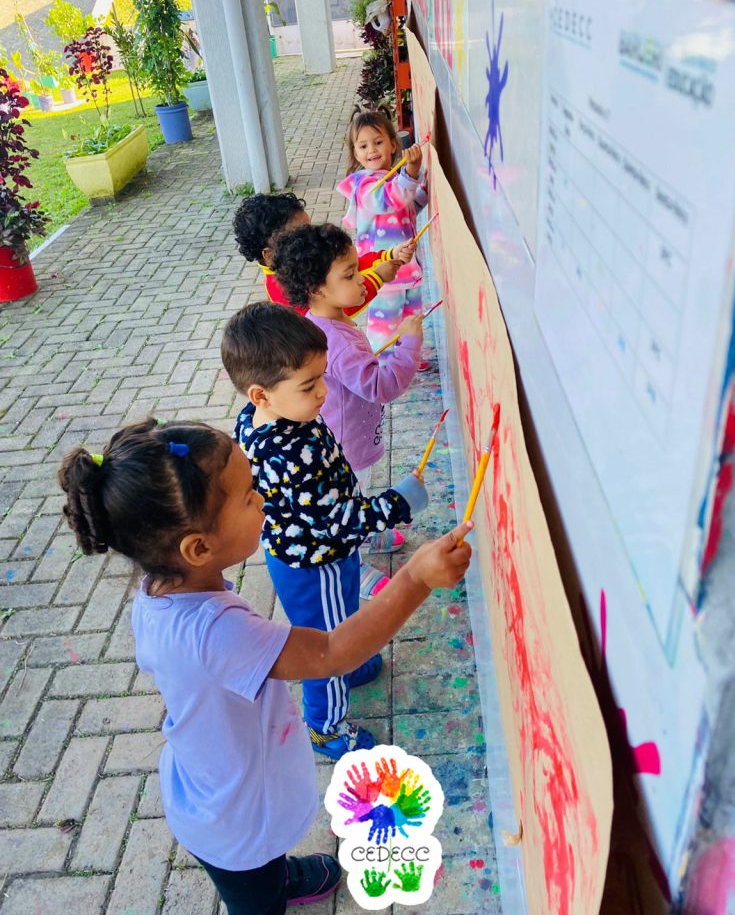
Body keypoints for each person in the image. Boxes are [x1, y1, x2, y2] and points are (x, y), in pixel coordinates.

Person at [58, 417, 472, 915]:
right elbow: (332, 652)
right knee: (255, 899)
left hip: (208, 784)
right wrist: (417, 578)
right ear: (198, 547)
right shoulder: (218, 632)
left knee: (260, 870)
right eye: (250, 496)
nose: (265, 500)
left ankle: (277, 876)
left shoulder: (158, 593)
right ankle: (268, 893)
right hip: (233, 819)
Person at [221, 302, 429, 757]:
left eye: (321, 378)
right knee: (326, 646)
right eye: (309, 385)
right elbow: (338, 523)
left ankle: (348, 662)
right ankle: (326, 726)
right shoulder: (291, 453)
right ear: (261, 394)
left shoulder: (261, 419)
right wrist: (396, 504)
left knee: (338, 620)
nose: (322, 393)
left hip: (302, 553)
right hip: (319, 562)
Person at [272, 222, 423, 590]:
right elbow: (380, 386)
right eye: (350, 274)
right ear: (316, 289)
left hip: (346, 438)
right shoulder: (335, 341)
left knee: (356, 497)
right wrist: (408, 345)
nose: (361, 280)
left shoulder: (329, 319)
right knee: (346, 506)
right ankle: (353, 564)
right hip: (346, 447)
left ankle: (366, 533)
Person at [337, 106, 429, 361]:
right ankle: (385, 366)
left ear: (393, 144)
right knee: (385, 329)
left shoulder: (392, 179)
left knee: (412, 320)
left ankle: (409, 359)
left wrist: (424, 190)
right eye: (363, 146)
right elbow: (389, 200)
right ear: (355, 153)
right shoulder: (365, 185)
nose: (372, 150)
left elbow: (407, 209)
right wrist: (411, 172)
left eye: (378, 142)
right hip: (382, 272)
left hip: (408, 269)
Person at [232, 191, 414, 318]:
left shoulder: (302, 258)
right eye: (301, 233)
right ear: (269, 255)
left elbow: (347, 266)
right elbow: (334, 307)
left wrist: (388, 255)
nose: (312, 234)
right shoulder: (281, 289)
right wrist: (378, 277)